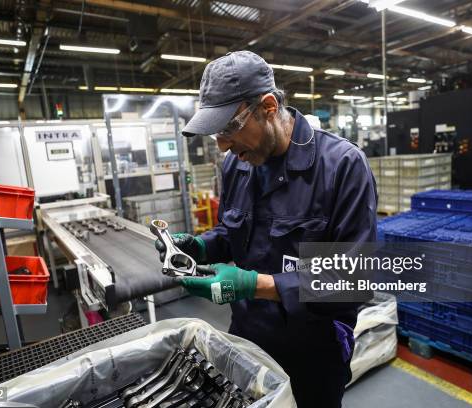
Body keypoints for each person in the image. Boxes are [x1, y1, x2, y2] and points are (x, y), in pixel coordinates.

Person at [155, 50, 377, 408]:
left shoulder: (342, 166)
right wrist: (199, 247)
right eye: (216, 134)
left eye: (229, 128)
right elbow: (232, 233)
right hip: (248, 337)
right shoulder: (236, 165)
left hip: (314, 348)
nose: (223, 145)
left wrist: (254, 284)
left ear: (269, 107)